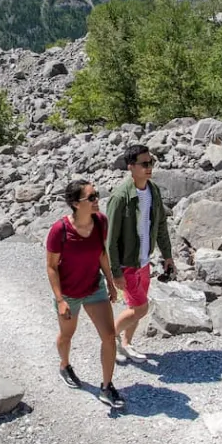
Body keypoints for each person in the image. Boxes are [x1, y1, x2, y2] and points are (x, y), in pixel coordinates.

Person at [45, 178, 125, 408]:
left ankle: (107, 387)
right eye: (91, 197)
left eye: (96, 195)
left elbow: (101, 253)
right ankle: (64, 365)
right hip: (68, 294)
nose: (96, 200)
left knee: (109, 336)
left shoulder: (101, 222)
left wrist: (110, 283)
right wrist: (60, 300)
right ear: (76, 203)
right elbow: (51, 267)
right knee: (67, 335)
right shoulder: (59, 230)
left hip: (94, 288)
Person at [107, 144, 174, 363]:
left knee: (135, 305)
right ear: (131, 167)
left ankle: (126, 344)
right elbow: (111, 240)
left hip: (144, 260)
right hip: (127, 263)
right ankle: (110, 339)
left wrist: (167, 256)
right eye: (144, 164)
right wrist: (115, 272)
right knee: (140, 307)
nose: (149, 167)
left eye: (151, 163)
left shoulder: (153, 190)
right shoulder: (120, 197)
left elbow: (161, 225)